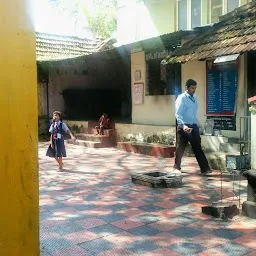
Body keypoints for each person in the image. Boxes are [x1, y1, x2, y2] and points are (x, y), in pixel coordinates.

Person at [173, 79, 212, 175]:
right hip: (184, 126)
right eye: (192, 88)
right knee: (180, 147)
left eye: (195, 88)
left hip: (193, 126)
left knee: (197, 147)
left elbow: (194, 113)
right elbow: (178, 114)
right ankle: (176, 167)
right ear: (186, 88)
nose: (194, 90)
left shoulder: (195, 98)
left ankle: (205, 169)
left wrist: (196, 124)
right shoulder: (182, 98)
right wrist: (183, 125)